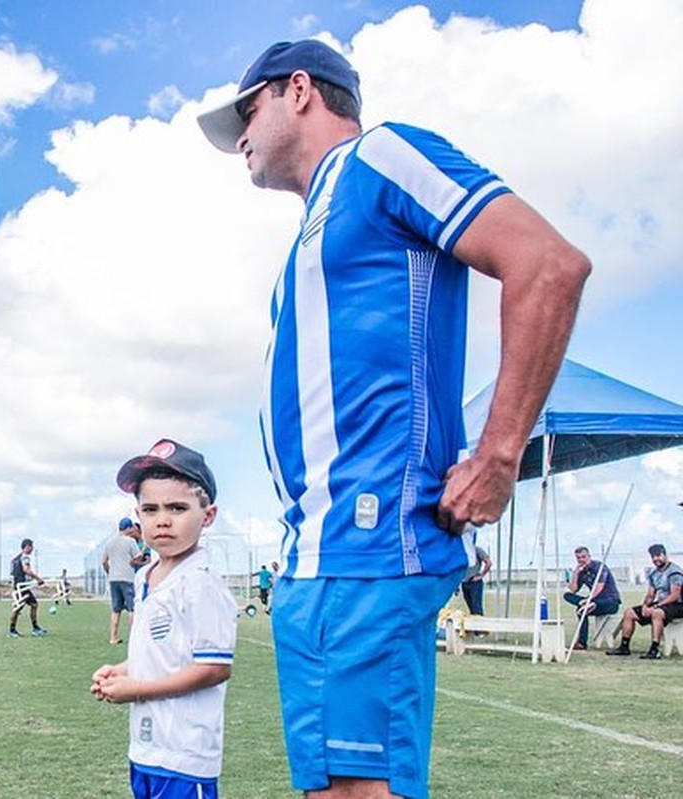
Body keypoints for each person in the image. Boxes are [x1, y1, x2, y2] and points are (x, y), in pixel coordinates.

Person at [197, 39, 590, 799]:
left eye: (248, 111)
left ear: (301, 90)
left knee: (358, 791)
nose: (240, 136)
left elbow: (547, 264)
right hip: (314, 556)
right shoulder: (313, 227)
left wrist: (500, 452)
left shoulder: (381, 155)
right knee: (334, 788)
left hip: (370, 541)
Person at [91, 439, 237, 799]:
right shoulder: (145, 577)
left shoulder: (200, 583)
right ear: (137, 516)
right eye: (151, 509)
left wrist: (137, 689)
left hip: (184, 756)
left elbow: (215, 668)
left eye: (177, 507)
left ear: (208, 515)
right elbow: (161, 651)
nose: (163, 520)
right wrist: (121, 671)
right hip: (145, 749)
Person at [606, 544, 683, 659]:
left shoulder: (674, 572)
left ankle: (654, 649)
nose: (655, 559)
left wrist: (655, 606)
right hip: (661, 604)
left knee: (657, 613)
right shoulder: (654, 573)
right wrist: (645, 606)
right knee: (629, 613)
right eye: (653, 556)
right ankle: (624, 647)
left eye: (658, 555)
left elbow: (675, 595)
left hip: (678, 605)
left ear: (665, 555)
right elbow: (650, 594)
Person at [563, 546, 620, 650]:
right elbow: (572, 589)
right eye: (578, 558)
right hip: (593, 602)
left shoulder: (599, 567)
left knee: (585, 608)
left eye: (583, 557)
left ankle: (588, 604)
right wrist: (576, 573)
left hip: (610, 601)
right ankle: (582, 643)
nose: (581, 560)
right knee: (569, 598)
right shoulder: (582, 571)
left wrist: (589, 599)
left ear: (589, 556)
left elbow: (599, 587)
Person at [103, 517, 147, 644]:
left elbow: (104, 561)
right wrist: (144, 549)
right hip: (127, 578)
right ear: (128, 528)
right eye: (132, 527)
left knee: (116, 610)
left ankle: (113, 637)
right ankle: (134, 638)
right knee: (132, 609)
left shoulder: (109, 543)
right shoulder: (130, 542)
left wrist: (109, 572)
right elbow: (138, 557)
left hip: (113, 579)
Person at [8, 538, 48, 637]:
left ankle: (14, 630)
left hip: (18, 587)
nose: (32, 549)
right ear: (27, 547)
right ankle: (31, 629)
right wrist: (38, 579)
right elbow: (26, 570)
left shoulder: (15, 559)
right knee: (29, 605)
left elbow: (13, 575)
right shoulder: (25, 557)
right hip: (22, 588)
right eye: (31, 547)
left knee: (23, 607)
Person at [460, 545, 492, 616]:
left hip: (474, 582)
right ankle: (474, 625)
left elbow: (488, 563)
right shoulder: (461, 550)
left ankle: (480, 626)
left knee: (476, 609)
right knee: (471, 608)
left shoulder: (477, 550)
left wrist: (482, 575)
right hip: (464, 582)